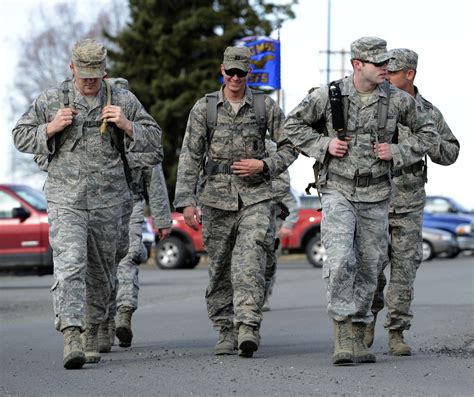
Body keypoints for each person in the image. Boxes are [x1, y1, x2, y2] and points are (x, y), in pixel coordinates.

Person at [284, 37, 438, 365]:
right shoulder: (329, 96)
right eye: (379, 64)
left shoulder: (397, 100)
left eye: (387, 64)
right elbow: (292, 125)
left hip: (378, 194)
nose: (385, 68)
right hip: (338, 190)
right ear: (358, 65)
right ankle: (342, 331)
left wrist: (397, 151)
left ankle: (359, 329)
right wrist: (323, 144)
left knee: (369, 266)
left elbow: (429, 134)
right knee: (341, 259)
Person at [12, 38, 162, 369]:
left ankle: (95, 326)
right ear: (72, 69)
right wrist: (50, 128)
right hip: (66, 199)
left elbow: (155, 145)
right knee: (70, 265)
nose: (90, 81)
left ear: (105, 71)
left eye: (95, 75)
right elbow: (19, 134)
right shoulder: (53, 99)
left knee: (103, 271)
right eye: (83, 75)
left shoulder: (123, 99)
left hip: (111, 202)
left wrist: (127, 125)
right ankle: (72, 334)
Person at [173, 46, 297, 358]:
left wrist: (265, 165)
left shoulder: (263, 106)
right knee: (220, 267)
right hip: (215, 200)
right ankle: (225, 329)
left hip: (256, 196)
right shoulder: (205, 108)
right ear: (222, 71)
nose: (235, 78)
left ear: (248, 74)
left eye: (241, 73)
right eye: (231, 72)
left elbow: (291, 144)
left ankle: (248, 326)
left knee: (251, 259)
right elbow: (189, 155)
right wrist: (186, 202)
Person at [366, 48, 460, 355]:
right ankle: (366, 320)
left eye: (392, 72)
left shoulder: (428, 112)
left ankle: (396, 331)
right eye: (384, 71)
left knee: (405, 269)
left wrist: (426, 140)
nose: (386, 76)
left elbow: (450, 152)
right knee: (371, 268)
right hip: (373, 199)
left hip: (408, 200)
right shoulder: (371, 104)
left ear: (410, 74)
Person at [98, 163, 172, 352]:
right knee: (101, 263)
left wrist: (162, 219)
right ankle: (104, 323)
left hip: (132, 201)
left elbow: (153, 173)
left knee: (128, 257)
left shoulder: (138, 133)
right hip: (98, 203)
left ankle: (124, 315)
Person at [262, 138, 299, 311]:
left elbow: (291, 206)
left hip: (272, 227)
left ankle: (264, 297)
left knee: (268, 266)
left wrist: (287, 226)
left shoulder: (279, 183)